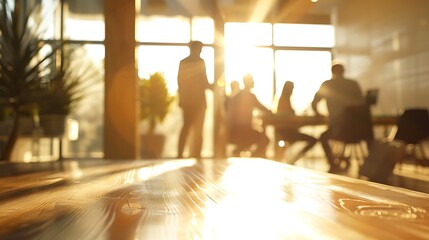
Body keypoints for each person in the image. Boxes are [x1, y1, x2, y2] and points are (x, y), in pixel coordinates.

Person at [311, 63, 365, 173]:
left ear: (332, 71)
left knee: (323, 137)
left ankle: (333, 163)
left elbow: (314, 102)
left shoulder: (327, 84)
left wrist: (318, 114)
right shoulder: (353, 84)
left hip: (337, 128)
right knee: (341, 137)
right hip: (356, 130)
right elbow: (362, 104)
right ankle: (343, 159)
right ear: (344, 71)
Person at [177, 40, 213, 158]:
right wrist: (215, 87)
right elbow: (205, 82)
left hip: (187, 101)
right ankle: (197, 155)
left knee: (186, 127)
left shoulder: (183, 62)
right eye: (200, 48)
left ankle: (180, 154)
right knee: (198, 129)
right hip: (199, 102)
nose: (201, 51)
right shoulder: (200, 62)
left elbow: (180, 82)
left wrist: (181, 99)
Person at [225, 74, 271, 157]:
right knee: (264, 139)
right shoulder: (250, 96)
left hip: (232, 130)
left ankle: (240, 151)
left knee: (258, 138)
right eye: (252, 81)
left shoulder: (236, 95)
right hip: (243, 130)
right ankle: (255, 157)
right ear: (248, 82)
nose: (254, 83)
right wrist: (272, 113)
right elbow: (262, 108)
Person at [275, 81, 317, 163]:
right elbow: (287, 117)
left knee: (312, 140)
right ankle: (296, 157)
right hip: (287, 131)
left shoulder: (284, 100)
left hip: (287, 131)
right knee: (313, 140)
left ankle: (293, 157)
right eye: (291, 88)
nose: (292, 91)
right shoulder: (284, 100)